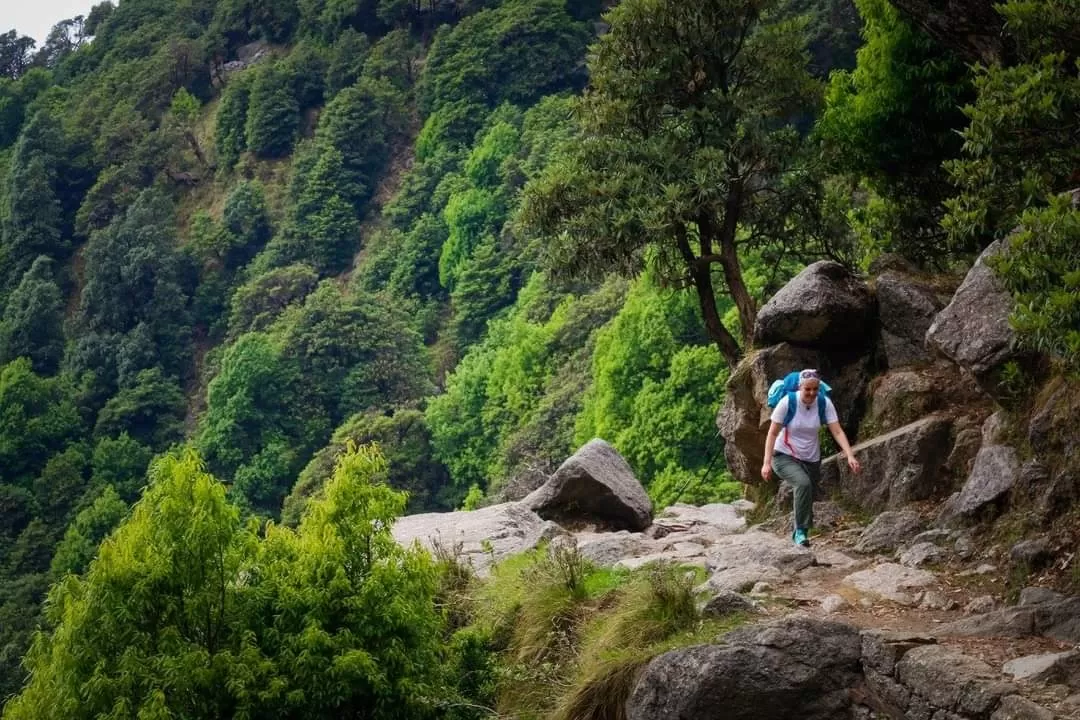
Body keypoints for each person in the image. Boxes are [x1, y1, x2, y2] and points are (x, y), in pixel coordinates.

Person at [760, 368, 861, 547]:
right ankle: (799, 532)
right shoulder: (787, 402)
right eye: (808, 389)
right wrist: (766, 463)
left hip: (811, 457)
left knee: (808, 492)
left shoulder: (824, 403)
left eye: (815, 389)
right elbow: (772, 434)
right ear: (800, 387)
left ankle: (802, 533)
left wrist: (850, 456)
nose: (812, 393)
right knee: (803, 483)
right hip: (783, 455)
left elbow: (836, 431)